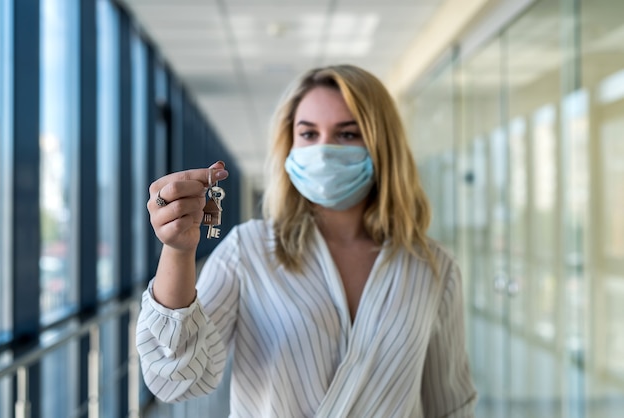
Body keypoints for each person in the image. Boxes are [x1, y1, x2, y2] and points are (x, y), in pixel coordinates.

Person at [137, 64, 477, 417]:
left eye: (347, 134)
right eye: (309, 134)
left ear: (382, 146)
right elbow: (176, 379)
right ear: (290, 145)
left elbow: (450, 406)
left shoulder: (433, 269)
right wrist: (178, 251)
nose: (325, 151)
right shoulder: (248, 251)